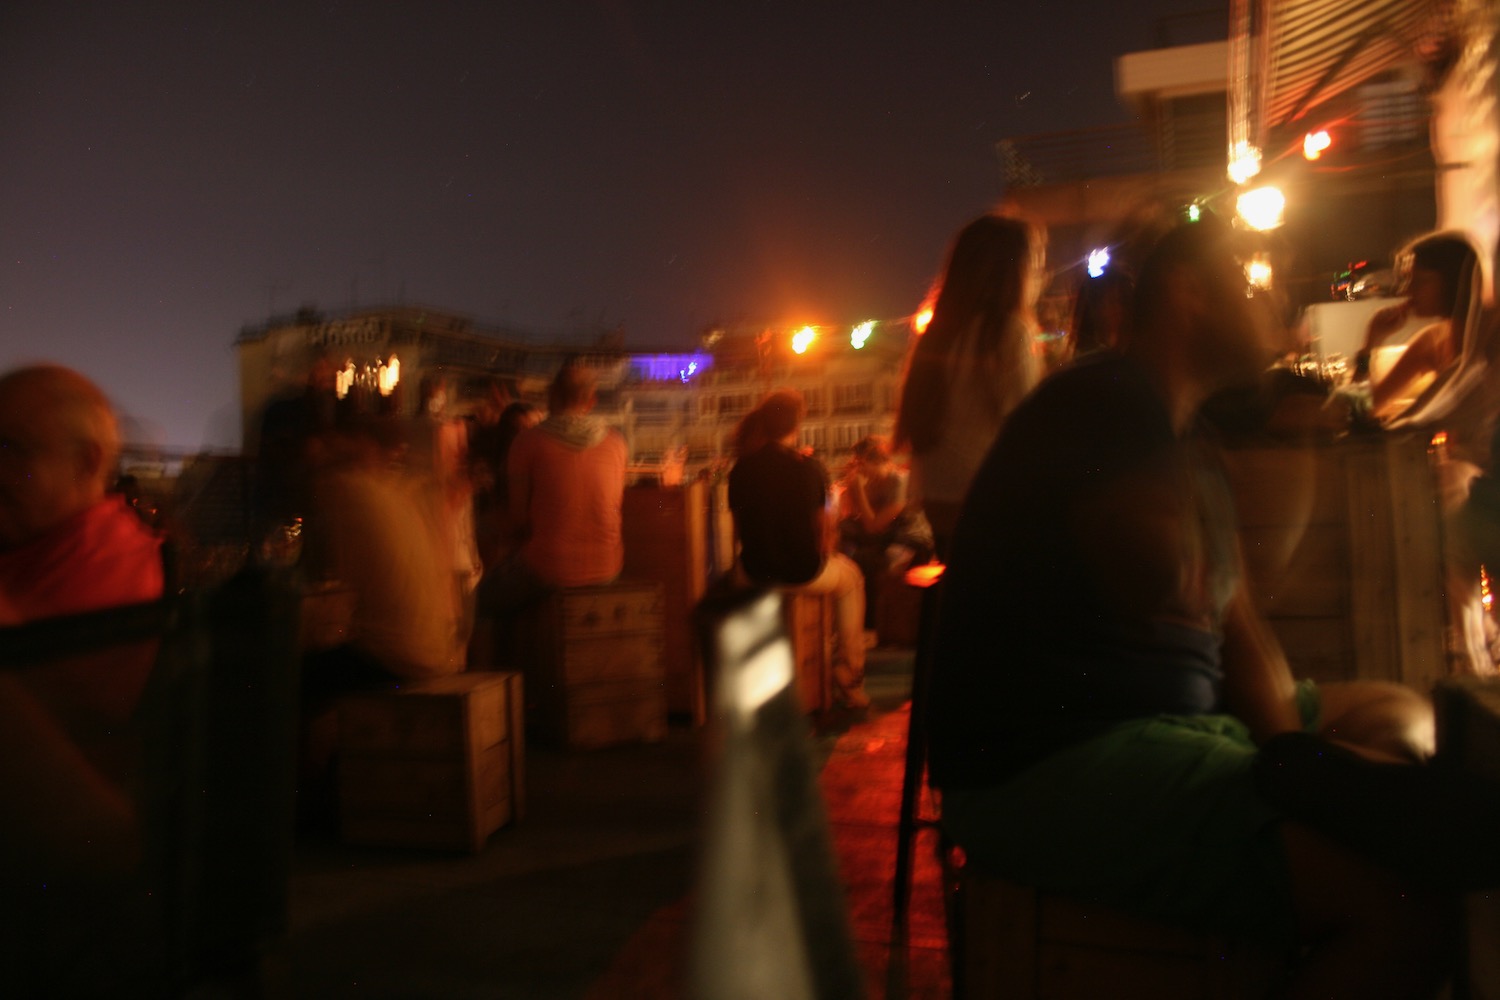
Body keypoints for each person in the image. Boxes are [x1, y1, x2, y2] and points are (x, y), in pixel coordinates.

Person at [930, 218, 1472, 997]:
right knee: (1407, 912)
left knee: (1398, 716)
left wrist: (1297, 762)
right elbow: (1168, 582)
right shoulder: (1103, 401)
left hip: (1168, 726)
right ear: (1189, 295)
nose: (1270, 298)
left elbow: (1242, 628)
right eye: (1246, 282)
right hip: (1049, 763)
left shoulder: (1178, 433)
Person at [893, 213, 1045, 554]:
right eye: (1033, 265)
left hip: (937, 500)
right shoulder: (1009, 333)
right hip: (987, 501)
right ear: (1010, 271)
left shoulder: (936, 334)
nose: (1040, 277)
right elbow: (1028, 432)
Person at [728, 390, 869, 709]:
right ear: (797, 423)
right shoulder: (809, 468)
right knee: (853, 579)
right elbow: (824, 535)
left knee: (733, 574)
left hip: (753, 572)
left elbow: (740, 533)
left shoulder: (741, 469)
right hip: (803, 572)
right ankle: (850, 677)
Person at [836, 435, 931, 634]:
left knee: (875, 562)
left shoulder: (899, 481)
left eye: (863, 465)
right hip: (885, 538)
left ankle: (872, 625)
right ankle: (860, 623)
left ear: (882, 463)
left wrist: (858, 492)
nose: (860, 471)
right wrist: (852, 493)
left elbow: (874, 526)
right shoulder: (870, 483)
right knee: (849, 547)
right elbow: (854, 520)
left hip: (910, 539)